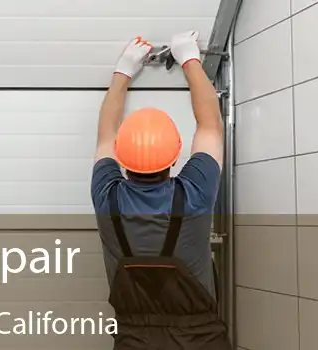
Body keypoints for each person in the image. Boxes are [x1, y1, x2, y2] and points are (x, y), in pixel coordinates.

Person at [90, 31, 231, 349]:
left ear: (121, 155)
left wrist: (123, 71)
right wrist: (189, 59)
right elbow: (210, 124)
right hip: (200, 339)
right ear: (176, 153)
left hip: (133, 339)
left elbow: (105, 135)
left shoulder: (106, 195)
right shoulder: (194, 192)